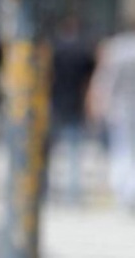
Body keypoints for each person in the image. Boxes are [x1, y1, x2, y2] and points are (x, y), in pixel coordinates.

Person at [45, 14, 95, 203]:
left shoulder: (56, 50)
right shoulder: (83, 52)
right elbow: (89, 81)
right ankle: (72, 194)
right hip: (74, 104)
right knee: (74, 152)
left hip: (56, 103)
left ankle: (45, 189)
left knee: (49, 150)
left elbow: (47, 77)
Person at [87, 22, 135, 211]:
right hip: (123, 108)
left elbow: (104, 82)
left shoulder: (115, 50)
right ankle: (128, 193)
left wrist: (97, 104)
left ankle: (125, 194)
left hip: (118, 109)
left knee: (121, 150)